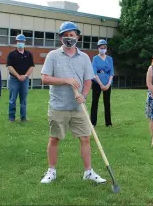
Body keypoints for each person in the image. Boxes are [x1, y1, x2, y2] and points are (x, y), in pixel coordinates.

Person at [40, 21, 106, 184]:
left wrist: (83, 95)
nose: (69, 38)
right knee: (54, 138)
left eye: (72, 35)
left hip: (78, 107)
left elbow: (88, 81)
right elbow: (44, 78)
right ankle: (51, 171)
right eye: (66, 35)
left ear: (77, 37)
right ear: (61, 38)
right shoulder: (53, 56)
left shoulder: (84, 57)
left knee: (85, 138)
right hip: (58, 106)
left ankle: (88, 172)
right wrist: (66, 80)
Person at [6, 34, 35, 122]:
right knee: (12, 99)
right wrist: (18, 76)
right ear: (16, 42)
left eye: (22, 42)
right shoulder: (12, 54)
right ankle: (11, 118)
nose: (20, 43)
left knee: (23, 100)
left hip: (25, 80)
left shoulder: (28, 54)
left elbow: (32, 66)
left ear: (24, 42)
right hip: (14, 79)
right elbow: (9, 67)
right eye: (19, 42)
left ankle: (23, 118)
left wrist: (25, 76)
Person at [90, 39, 114, 127]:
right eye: (101, 48)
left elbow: (111, 72)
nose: (103, 49)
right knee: (95, 102)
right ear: (98, 48)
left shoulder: (110, 59)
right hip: (97, 83)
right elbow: (94, 73)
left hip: (107, 83)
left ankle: (108, 123)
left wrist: (108, 84)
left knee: (107, 103)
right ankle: (93, 122)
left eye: (104, 48)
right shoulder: (95, 58)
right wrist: (101, 84)